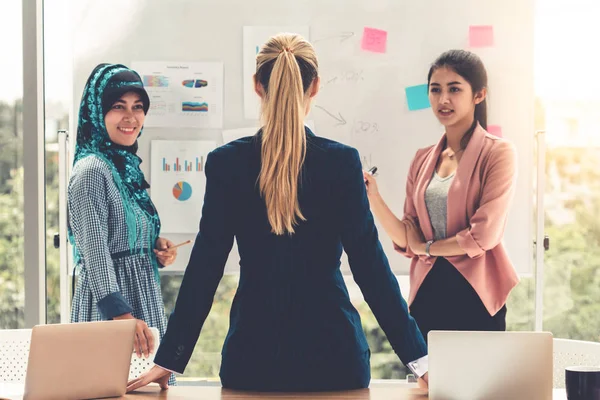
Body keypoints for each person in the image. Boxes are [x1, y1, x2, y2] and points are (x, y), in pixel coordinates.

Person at [126, 33, 428, 393]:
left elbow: (205, 267)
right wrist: (420, 361)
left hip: (252, 359)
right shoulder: (341, 162)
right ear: (315, 87)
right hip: (335, 358)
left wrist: (171, 358)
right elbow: (371, 268)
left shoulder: (227, 164)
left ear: (257, 86)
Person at [363, 49, 519, 341]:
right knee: (430, 386)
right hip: (428, 294)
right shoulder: (423, 159)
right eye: (435, 90)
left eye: (454, 89)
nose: (443, 99)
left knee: (480, 385)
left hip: (477, 294)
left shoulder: (498, 152)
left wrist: (428, 249)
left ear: (479, 95)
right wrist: (374, 197)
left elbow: (483, 237)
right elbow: (408, 237)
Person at [68, 63, 178, 385]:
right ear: (97, 112)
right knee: (108, 388)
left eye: (138, 107)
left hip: (140, 302)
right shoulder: (91, 171)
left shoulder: (124, 167)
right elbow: (95, 252)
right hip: (113, 308)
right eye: (118, 106)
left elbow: (124, 231)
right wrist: (123, 319)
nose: (131, 117)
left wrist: (156, 245)